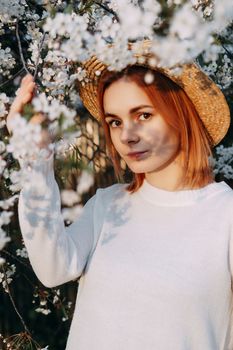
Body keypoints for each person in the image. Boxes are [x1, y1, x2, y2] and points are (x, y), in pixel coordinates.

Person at [6, 42, 233, 350]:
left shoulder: (225, 216)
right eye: (115, 121)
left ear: (182, 113)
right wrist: (35, 155)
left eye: (143, 115)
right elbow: (52, 269)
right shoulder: (108, 204)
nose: (127, 135)